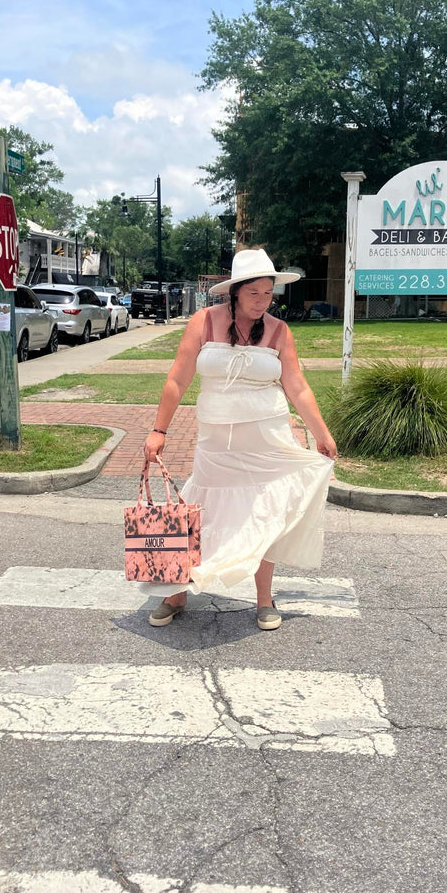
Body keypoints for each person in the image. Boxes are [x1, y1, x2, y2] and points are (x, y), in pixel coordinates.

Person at [143, 247, 337, 631]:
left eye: (268, 294)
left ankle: (264, 599)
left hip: (269, 441)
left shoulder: (279, 330)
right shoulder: (204, 321)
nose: (261, 302)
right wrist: (159, 429)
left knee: (264, 515)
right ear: (235, 292)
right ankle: (177, 590)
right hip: (217, 444)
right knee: (200, 512)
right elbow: (177, 379)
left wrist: (321, 433)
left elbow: (296, 386)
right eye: (254, 294)